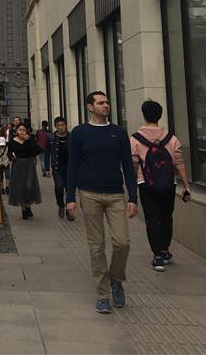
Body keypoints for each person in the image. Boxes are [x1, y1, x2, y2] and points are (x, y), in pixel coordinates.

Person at [66, 91, 138, 315]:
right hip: (89, 194)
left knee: (122, 242)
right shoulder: (79, 133)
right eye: (100, 103)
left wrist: (133, 198)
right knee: (96, 246)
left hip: (116, 194)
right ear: (90, 107)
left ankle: (116, 279)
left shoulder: (118, 133)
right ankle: (102, 294)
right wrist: (70, 198)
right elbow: (72, 166)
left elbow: (127, 166)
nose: (106, 105)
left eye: (107, 102)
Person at [130, 99, 191, 272]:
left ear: (144, 115)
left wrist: (132, 185)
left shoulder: (135, 139)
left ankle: (157, 257)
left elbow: (134, 164)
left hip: (145, 184)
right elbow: (179, 163)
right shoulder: (172, 138)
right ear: (160, 115)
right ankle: (165, 250)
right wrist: (186, 185)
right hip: (168, 184)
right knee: (166, 217)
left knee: (152, 219)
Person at [7, 124, 42, 218]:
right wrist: (12, 157)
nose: (22, 132)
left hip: (29, 165)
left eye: (24, 130)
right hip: (18, 165)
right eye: (20, 130)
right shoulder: (12, 142)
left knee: (29, 186)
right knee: (20, 187)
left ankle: (28, 206)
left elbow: (38, 150)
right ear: (16, 131)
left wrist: (29, 140)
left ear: (27, 131)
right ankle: (23, 209)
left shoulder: (29, 140)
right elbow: (9, 153)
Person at [49, 117, 71, 219]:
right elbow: (46, 153)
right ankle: (61, 205)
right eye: (59, 125)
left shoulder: (71, 137)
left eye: (63, 125)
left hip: (70, 167)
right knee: (59, 188)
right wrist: (46, 169)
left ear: (66, 125)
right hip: (57, 167)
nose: (61, 127)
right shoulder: (51, 138)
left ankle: (69, 210)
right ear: (55, 126)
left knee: (70, 189)